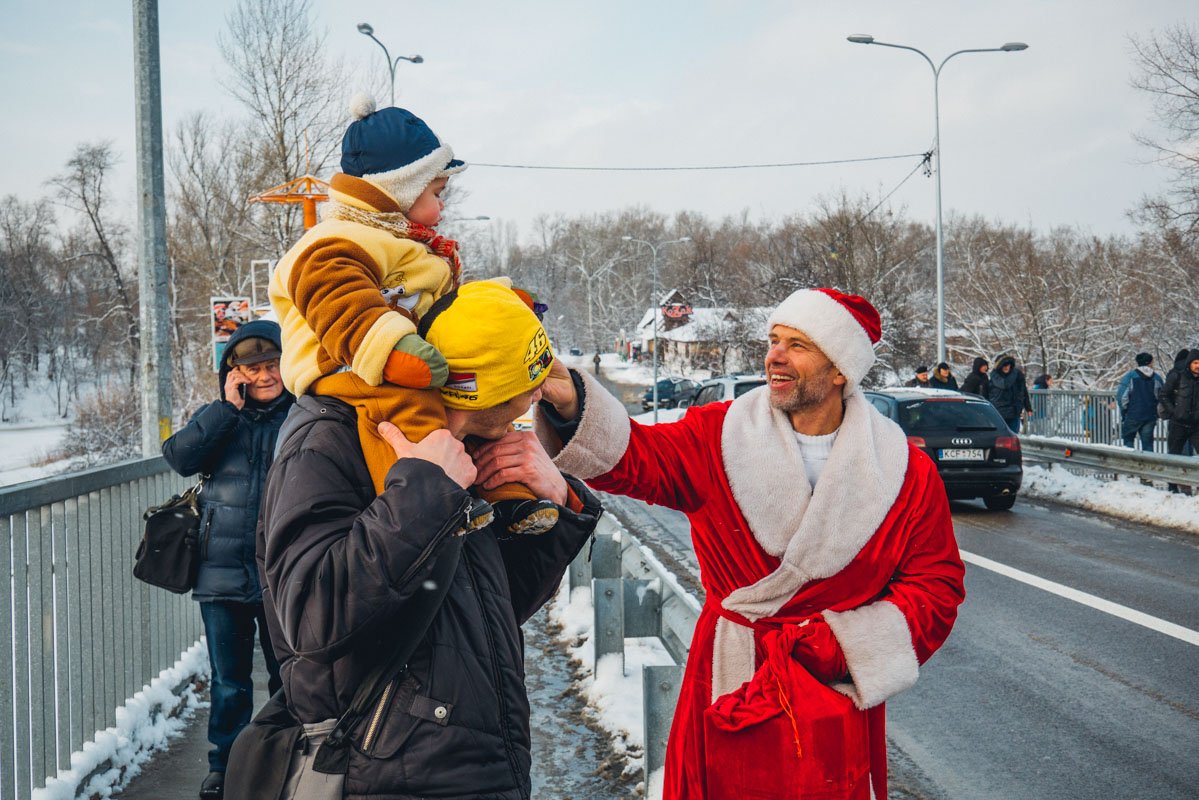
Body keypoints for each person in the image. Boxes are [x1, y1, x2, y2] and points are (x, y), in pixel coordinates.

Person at [535, 287, 965, 799]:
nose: (774, 356)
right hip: (730, 676)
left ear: (840, 371)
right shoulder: (719, 435)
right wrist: (570, 402)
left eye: (798, 345)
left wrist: (841, 646)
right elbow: (639, 459)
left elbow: (936, 583)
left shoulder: (905, 472)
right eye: (774, 340)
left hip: (831, 693)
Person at [256, 280, 600, 799]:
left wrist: (554, 508)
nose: (538, 395)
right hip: (383, 772)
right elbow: (311, 617)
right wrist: (423, 489)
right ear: (484, 388)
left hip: (470, 763)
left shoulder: (458, 445)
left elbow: (484, 609)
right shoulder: (328, 442)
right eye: (529, 383)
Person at [269, 96, 556, 536]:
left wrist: (498, 304)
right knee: (411, 408)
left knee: (474, 404)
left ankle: (508, 497)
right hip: (347, 362)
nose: (441, 209)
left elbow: (442, 308)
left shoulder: (407, 246)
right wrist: (393, 348)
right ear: (399, 191)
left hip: (406, 360)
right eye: (436, 194)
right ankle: (437, 495)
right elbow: (336, 295)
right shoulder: (337, 241)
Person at [161, 320, 294, 800]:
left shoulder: (304, 415)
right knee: (230, 682)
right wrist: (226, 408)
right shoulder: (220, 416)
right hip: (222, 574)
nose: (263, 376)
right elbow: (178, 456)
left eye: (272, 364)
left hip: (283, 572)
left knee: (291, 676)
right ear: (234, 373)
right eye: (252, 368)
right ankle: (226, 768)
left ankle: (287, 760)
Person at [1158, 350, 1199, 487]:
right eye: (1195, 363)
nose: (1198, 365)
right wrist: (1173, 412)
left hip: (1196, 425)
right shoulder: (1177, 376)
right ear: (1189, 364)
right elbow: (1163, 395)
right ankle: (1173, 486)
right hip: (1178, 423)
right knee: (1174, 456)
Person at [1116, 353, 1164, 452]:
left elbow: (1122, 396)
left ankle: (1129, 466)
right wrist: (1157, 413)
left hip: (1132, 414)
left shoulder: (1129, 376)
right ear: (1150, 362)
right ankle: (1148, 466)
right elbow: (1161, 397)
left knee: (1128, 443)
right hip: (1150, 415)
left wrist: (1124, 411)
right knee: (1148, 445)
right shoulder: (1157, 378)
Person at [988, 356, 1032, 432]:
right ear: (999, 366)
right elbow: (1004, 384)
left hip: (1014, 411)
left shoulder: (1018, 375)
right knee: (1001, 436)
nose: (1006, 367)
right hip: (999, 411)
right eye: (1004, 365)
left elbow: (1023, 391)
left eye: (1008, 365)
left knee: (1013, 436)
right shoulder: (995, 375)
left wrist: (1028, 407)